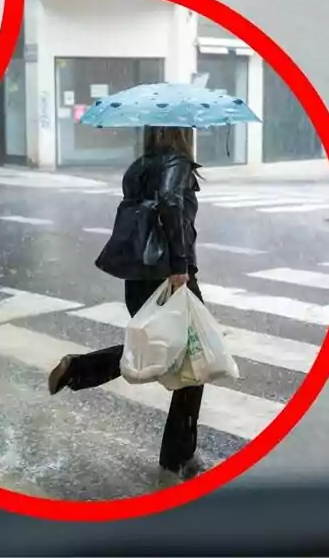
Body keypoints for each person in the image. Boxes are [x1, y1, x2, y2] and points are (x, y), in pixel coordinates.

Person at [46, 125, 206, 481]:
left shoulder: (139, 167)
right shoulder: (175, 163)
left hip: (139, 275)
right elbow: (169, 203)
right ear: (181, 132)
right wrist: (180, 266)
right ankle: (178, 458)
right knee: (194, 359)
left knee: (160, 348)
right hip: (169, 274)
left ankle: (78, 370)